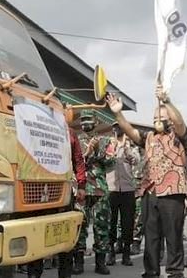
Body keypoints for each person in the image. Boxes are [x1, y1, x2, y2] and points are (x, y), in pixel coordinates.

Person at [106, 84, 187, 278]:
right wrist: (118, 114)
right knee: (151, 235)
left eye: (160, 118)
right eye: (154, 119)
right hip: (149, 192)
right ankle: (151, 271)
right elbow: (130, 131)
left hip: (172, 192)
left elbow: (180, 122)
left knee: (173, 235)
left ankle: (175, 272)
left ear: (169, 119)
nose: (157, 121)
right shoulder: (149, 137)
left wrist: (167, 101)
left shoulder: (179, 136)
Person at [26, 128, 87, 278]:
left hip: (62, 190)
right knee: (36, 234)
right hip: (37, 190)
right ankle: (34, 274)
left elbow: (78, 159)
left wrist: (81, 186)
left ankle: (65, 274)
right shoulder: (32, 124)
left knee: (65, 235)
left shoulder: (70, 132)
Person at [72, 109, 115, 275]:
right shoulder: (76, 140)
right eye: (82, 120)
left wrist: (97, 151)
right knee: (80, 226)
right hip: (81, 189)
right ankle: (79, 263)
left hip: (99, 189)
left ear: (96, 122)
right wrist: (87, 153)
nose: (85, 123)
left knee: (101, 226)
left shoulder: (105, 141)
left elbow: (110, 162)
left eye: (88, 119)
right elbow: (74, 162)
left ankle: (100, 263)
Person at [106, 122, 140, 267]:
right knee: (111, 223)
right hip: (111, 188)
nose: (117, 130)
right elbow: (104, 161)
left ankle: (126, 254)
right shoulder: (107, 144)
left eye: (119, 127)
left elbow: (136, 161)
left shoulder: (131, 146)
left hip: (127, 190)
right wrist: (112, 148)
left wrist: (126, 148)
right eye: (115, 127)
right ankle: (111, 253)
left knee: (127, 224)